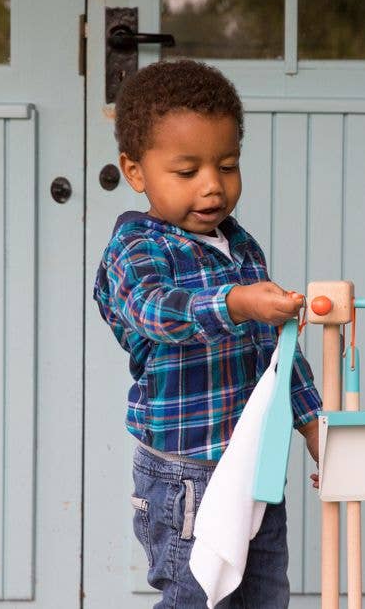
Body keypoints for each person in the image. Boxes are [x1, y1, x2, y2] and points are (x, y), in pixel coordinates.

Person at [93, 59, 322, 607]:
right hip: (185, 474)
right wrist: (237, 302)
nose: (213, 187)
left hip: (254, 466)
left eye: (227, 165)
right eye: (187, 170)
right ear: (136, 170)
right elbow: (156, 312)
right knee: (196, 596)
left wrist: (312, 422)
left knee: (263, 594)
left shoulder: (240, 248)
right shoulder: (137, 248)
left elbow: (275, 354)